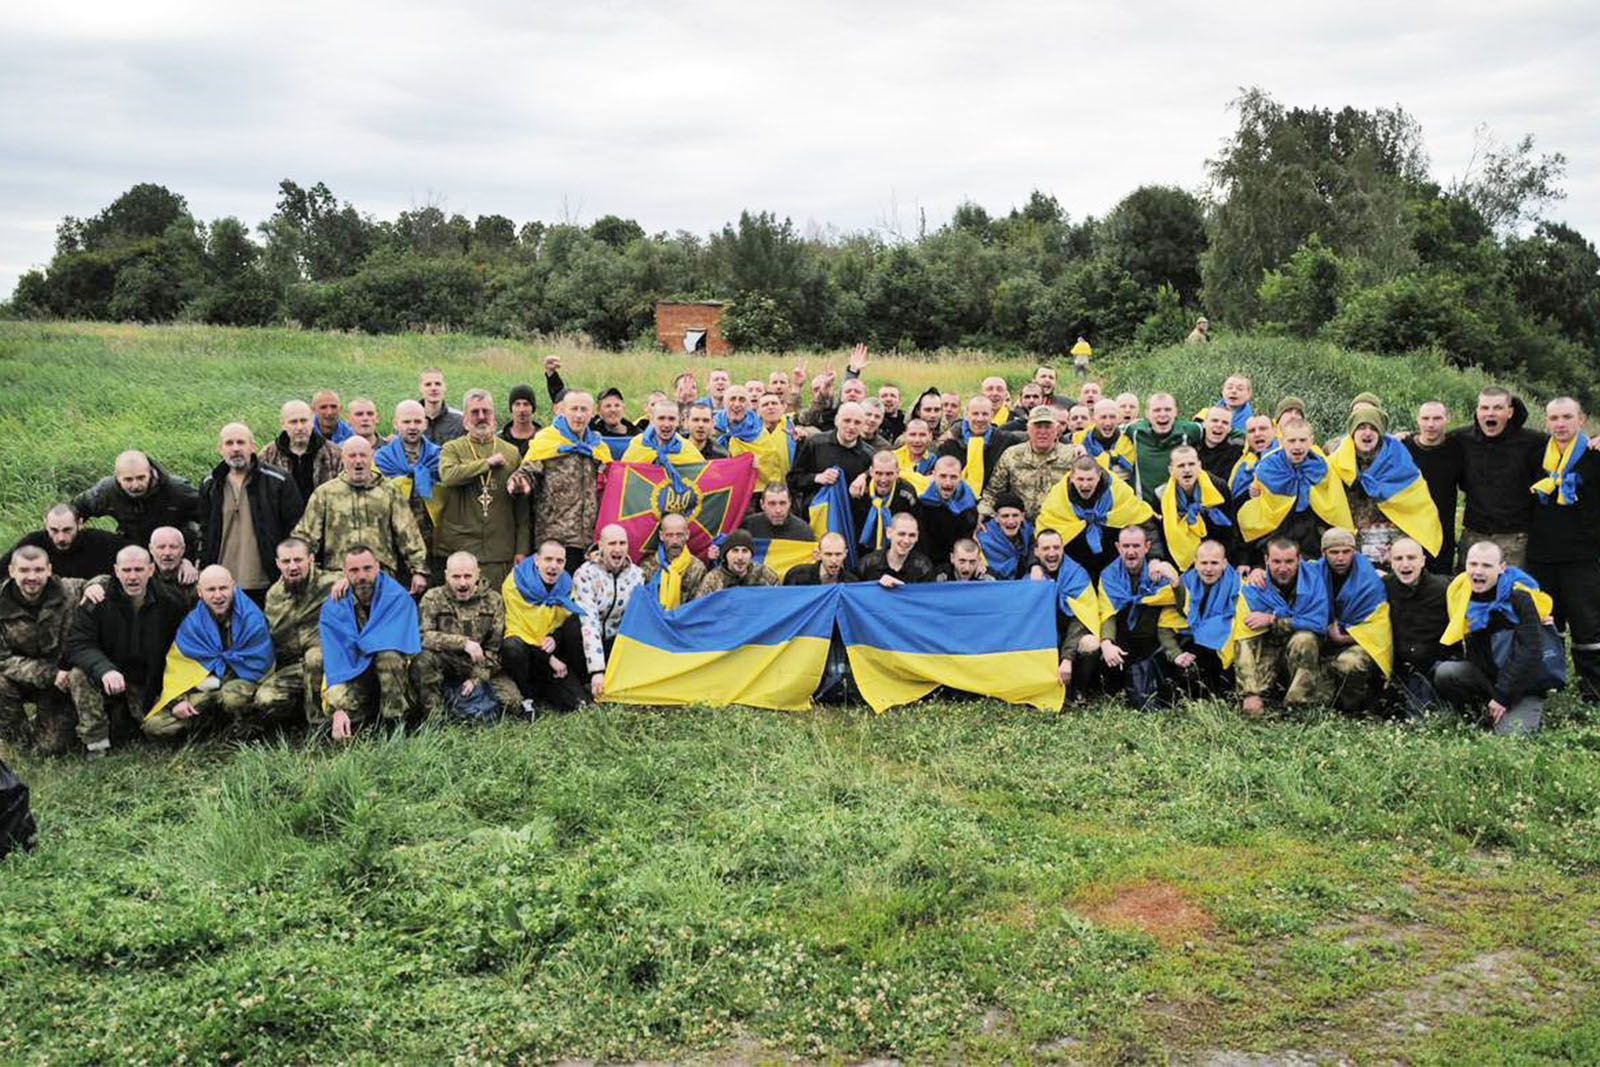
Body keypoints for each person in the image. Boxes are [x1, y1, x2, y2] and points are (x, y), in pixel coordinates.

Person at [65, 545, 188, 754]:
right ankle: (96, 743)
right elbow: (78, 643)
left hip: (147, 681)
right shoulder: (97, 601)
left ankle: (129, 723)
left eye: (139, 570)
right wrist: (104, 669)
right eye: (127, 570)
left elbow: (179, 653)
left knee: (163, 732)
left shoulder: (171, 602)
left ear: (151, 570)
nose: (132, 577)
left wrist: (175, 696)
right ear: (116, 570)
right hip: (108, 676)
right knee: (78, 675)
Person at [1435, 541, 1557, 735]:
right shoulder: (1461, 592)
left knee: (1510, 739)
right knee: (1446, 672)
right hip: (1488, 678)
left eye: (1486, 565)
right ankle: (1480, 716)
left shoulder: (1520, 596)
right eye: (1473, 564)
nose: (1478, 571)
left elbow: (1531, 652)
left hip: (1523, 684)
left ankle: (1514, 712)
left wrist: (1502, 696)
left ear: (1502, 568)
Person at [141, 565, 275, 740]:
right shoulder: (192, 624)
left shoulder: (251, 618)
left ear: (233, 587)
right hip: (204, 691)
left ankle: (243, 728)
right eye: (211, 590)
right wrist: (179, 701)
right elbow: (179, 668)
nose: (218, 595)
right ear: (200, 592)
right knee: (155, 725)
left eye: (223, 588)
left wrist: (216, 682)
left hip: (241, 686)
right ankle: (214, 727)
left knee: (232, 696)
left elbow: (260, 664)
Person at [1525, 396, 1600, 700]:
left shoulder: (1594, 454)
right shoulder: (1536, 456)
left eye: (1567, 417)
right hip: (1542, 556)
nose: (1560, 424)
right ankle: (1550, 684)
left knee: (1588, 627)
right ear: (1546, 422)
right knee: (1547, 624)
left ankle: (1593, 691)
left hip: (1583, 557)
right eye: (1554, 418)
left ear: (1581, 420)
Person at [293, 435, 430, 593]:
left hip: (381, 576)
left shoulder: (389, 491)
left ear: (371, 457)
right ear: (343, 458)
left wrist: (419, 571)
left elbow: (408, 533)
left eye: (363, 455)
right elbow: (305, 537)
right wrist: (303, 569)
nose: (358, 461)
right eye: (352, 456)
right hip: (338, 578)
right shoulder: (325, 493)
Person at [320, 543, 421, 740]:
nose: (362, 576)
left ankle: (395, 725)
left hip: (394, 677)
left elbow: (403, 645)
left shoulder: (397, 597)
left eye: (367, 568)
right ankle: (343, 724)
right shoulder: (334, 605)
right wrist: (338, 709)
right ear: (344, 573)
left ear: (378, 567)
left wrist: (364, 645)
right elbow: (335, 657)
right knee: (339, 703)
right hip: (354, 672)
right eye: (354, 570)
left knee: (388, 656)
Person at [435, 389, 531, 590]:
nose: (481, 417)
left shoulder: (511, 452)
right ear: (465, 419)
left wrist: (522, 549)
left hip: (500, 550)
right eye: (475, 412)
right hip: (461, 550)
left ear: (494, 417)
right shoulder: (452, 448)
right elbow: (449, 476)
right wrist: (486, 464)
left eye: (486, 411)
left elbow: (522, 508)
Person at [198, 422, 303, 603]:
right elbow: (204, 530)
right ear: (220, 449)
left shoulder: (278, 481)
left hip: (266, 583)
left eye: (241, 442)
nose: (235, 448)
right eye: (229, 443)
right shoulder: (210, 484)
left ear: (252, 446)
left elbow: (296, 528)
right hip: (222, 587)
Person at [1329, 401, 1442, 568]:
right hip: (1350, 551)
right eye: (1361, 427)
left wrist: (1399, 549)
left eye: (1373, 428)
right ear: (1352, 432)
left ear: (1381, 432)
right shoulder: (1336, 462)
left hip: (1393, 551)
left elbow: (1416, 506)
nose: (1367, 433)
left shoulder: (1399, 460)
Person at [414, 551, 521, 721]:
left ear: (477, 574)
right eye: (456, 577)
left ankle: (457, 703)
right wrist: (462, 643)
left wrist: (476, 679)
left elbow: (495, 649)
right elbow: (422, 637)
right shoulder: (433, 598)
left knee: (512, 703)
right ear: (446, 575)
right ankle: (435, 718)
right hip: (445, 663)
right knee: (424, 659)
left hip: (480, 665)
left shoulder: (494, 601)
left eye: (467, 576)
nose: (462, 583)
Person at [0, 547, 86, 757]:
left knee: (52, 748)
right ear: (12, 571)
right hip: (23, 678)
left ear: (49, 570)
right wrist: (49, 674)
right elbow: (2, 660)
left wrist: (96, 585)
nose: (32, 577)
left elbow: (108, 582)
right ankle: (19, 741)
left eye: (38, 570)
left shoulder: (70, 590)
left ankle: (44, 732)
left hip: (60, 686)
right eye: (24, 570)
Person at [516, 390, 613, 574]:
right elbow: (528, 471)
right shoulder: (547, 441)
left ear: (592, 413)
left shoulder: (598, 447)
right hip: (555, 540)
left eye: (584, 409)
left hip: (589, 541)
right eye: (574, 409)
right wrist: (520, 482)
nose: (578, 415)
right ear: (562, 411)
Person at [1232, 537, 1329, 718]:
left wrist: (1273, 618)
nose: (1283, 568)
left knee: (1305, 638)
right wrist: (1250, 692)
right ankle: (1260, 697)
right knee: (1254, 704)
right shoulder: (1253, 587)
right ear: (1266, 560)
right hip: (1270, 648)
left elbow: (1319, 623)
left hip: (1304, 652)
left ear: (1299, 559)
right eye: (1276, 561)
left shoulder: (1314, 578)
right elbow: (1243, 640)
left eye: (1289, 561)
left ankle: (1296, 705)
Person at [1094, 526, 1184, 709]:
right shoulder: (1108, 575)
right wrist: (1107, 643)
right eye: (1126, 546)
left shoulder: (1160, 572)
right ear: (1118, 547)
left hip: (1153, 639)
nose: (1131, 551)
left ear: (1147, 547)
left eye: (1136, 546)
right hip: (1124, 639)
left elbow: (1183, 608)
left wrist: (1176, 583)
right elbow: (1107, 613)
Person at [1237, 418, 1352, 560]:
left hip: (1312, 540)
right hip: (1274, 537)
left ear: (1311, 441)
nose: (1297, 446)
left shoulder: (1322, 467)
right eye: (1291, 441)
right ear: (1282, 440)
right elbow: (1259, 509)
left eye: (1303, 440)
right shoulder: (1267, 467)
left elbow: (1335, 505)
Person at [1309, 527, 1391, 715]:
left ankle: (1353, 708)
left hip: (1359, 641)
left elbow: (1379, 628)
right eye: (1334, 552)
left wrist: (1343, 638)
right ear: (1324, 553)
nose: (1340, 558)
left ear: (1354, 551)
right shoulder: (1311, 573)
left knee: (1349, 663)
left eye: (1346, 552)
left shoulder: (1370, 580)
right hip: (1322, 636)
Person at [254, 537, 334, 727]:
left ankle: (319, 725)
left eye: (298, 560)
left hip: (328, 665)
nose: (292, 567)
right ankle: (297, 718)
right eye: (286, 561)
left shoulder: (332, 583)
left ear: (311, 559)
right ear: (277, 564)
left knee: (315, 657)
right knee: (265, 699)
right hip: (293, 668)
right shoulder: (274, 595)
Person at [500, 541, 588, 714]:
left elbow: (564, 623)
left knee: (578, 702)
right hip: (527, 653)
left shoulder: (567, 584)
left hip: (554, 653)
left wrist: (555, 639)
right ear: (536, 560)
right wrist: (547, 658)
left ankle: (578, 683)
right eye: (548, 559)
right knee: (512, 647)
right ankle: (527, 696)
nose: (553, 566)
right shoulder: (514, 584)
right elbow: (518, 629)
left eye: (559, 561)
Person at [1037, 457, 1157, 575]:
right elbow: (1041, 534)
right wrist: (1035, 565)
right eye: (1080, 479)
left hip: (1116, 565)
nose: (1085, 485)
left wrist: (1155, 558)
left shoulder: (1118, 491)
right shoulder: (1058, 498)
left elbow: (1145, 523)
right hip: (1075, 565)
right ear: (1072, 478)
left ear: (1099, 477)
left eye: (1090, 479)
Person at [71, 449, 201, 557]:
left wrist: (194, 559)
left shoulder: (177, 489)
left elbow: (208, 517)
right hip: (132, 550)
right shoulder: (107, 491)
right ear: (117, 477)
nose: (135, 485)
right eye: (128, 480)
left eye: (141, 478)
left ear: (150, 472)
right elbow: (76, 508)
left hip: (174, 553)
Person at [572, 524, 645, 701]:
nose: (618, 549)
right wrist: (597, 670)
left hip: (615, 642)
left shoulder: (637, 575)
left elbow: (637, 620)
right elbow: (589, 622)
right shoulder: (584, 574)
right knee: (572, 626)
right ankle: (585, 679)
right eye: (612, 543)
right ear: (601, 546)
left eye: (622, 543)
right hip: (585, 642)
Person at [1383, 537, 1450, 718]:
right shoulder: (1383, 587)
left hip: (1433, 667)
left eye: (1412, 558)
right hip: (1397, 668)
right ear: (1390, 562)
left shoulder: (1444, 589)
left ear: (1423, 561)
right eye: (1398, 559)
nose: (1405, 564)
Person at [981, 406, 1077, 522]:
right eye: (1037, 426)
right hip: (1018, 526)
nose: (1042, 432)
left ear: (1057, 429)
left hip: (1059, 524)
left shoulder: (1072, 455)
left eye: (1047, 427)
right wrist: (981, 515)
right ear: (1028, 429)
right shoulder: (1012, 455)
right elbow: (992, 493)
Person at [374, 399, 442, 559]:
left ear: (425, 424)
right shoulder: (382, 459)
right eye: (406, 421)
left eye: (417, 421)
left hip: (431, 541)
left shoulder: (438, 457)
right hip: (393, 541)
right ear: (395, 424)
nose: (412, 426)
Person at [1171, 539, 1239, 697]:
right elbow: (1166, 622)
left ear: (1224, 563)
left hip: (1225, 648)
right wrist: (1176, 654)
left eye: (1214, 563)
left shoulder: (1238, 586)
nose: (1208, 569)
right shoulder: (1183, 583)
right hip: (1190, 643)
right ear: (1195, 563)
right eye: (1204, 563)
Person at [1401, 401, 1463, 573]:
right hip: (1408, 532)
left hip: (1442, 533)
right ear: (1418, 419)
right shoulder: (1403, 447)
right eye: (1425, 418)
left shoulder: (1457, 449)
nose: (1430, 424)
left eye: (1437, 418)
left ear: (1447, 419)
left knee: (1438, 589)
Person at [1156, 445, 1234, 570]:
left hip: (1215, 557)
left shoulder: (1218, 487)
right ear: (1171, 470)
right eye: (1181, 466)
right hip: (1180, 558)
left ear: (1199, 466)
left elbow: (1229, 529)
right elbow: (1163, 536)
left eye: (1191, 464)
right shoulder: (1162, 495)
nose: (1187, 470)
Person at [0, 503, 124, 580]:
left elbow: (136, 556)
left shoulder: (101, 542)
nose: (61, 538)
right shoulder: (32, 542)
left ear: (80, 524)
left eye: (67, 530)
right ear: (45, 525)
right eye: (54, 530)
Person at [788, 401, 875, 509]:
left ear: (863, 425)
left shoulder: (869, 455)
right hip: (815, 515)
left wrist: (865, 477)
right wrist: (817, 478)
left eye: (857, 422)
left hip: (850, 520)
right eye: (847, 421)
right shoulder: (815, 443)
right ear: (836, 421)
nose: (851, 426)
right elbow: (792, 480)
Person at [1126, 393, 1204, 504]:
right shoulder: (1135, 431)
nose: (1162, 414)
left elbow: (1220, 429)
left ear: (1175, 412)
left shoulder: (1190, 431)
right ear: (1147, 414)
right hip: (1145, 512)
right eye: (1157, 410)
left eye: (1168, 409)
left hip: (1179, 509)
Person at [261, 399, 344, 502]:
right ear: (283, 424)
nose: (300, 427)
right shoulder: (268, 455)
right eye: (293, 422)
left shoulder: (334, 454)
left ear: (312, 422)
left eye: (304, 421)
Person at [938, 397, 1017, 496]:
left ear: (991, 415)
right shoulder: (950, 444)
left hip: (994, 500)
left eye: (985, 414)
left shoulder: (1005, 440)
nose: (980, 419)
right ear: (966, 415)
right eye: (975, 414)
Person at [850, 452, 920, 554]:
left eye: (889, 474)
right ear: (871, 472)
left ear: (897, 472)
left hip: (896, 551)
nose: (883, 479)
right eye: (879, 473)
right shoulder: (860, 489)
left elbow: (916, 525)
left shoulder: (906, 493)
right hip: (862, 551)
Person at [917, 456, 980, 563]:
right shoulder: (922, 504)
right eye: (943, 476)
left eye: (953, 477)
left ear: (960, 478)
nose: (948, 483)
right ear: (933, 475)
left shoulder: (969, 504)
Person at [638, 514, 707, 607]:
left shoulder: (697, 569)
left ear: (687, 535)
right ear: (661, 536)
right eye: (669, 535)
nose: (675, 541)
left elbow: (698, 607)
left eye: (680, 535)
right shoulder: (647, 567)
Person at [858, 512, 933, 586]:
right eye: (901, 534)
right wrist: (876, 585)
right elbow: (856, 591)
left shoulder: (923, 567)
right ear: (889, 533)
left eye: (912, 535)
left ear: (917, 537)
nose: (906, 541)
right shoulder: (868, 564)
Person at [696, 530, 779, 595]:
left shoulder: (765, 574)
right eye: (735, 551)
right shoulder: (712, 580)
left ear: (751, 555)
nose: (740, 557)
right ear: (726, 555)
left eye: (745, 551)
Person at [623, 400, 704, 465]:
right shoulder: (638, 445)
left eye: (671, 419)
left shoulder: (688, 449)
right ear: (652, 420)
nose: (666, 424)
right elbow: (624, 476)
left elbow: (702, 476)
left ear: (678, 421)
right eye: (661, 418)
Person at [1073, 400, 1136, 481]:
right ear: (1093, 419)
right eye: (1103, 417)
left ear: (1118, 419)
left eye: (1112, 417)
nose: (1108, 423)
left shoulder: (1127, 441)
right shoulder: (1080, 439)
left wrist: (1093, 460)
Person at [975, 493, 1033, 580]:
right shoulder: (983, 540)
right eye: (1005, 516)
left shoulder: (1029, 533)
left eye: (1015, 515)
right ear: (996, 518)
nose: (1010, 521)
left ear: (1022, 516)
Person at [741, 483, 813, 540]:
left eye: (782, 503)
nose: (778, 510)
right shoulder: (748, 527)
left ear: (790, 503)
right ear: (762, 504)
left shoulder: (803, 531)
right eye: (772, 504)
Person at [1196, 406, 1246, 486]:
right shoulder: (1191, 444)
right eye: (1214, 421)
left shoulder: (1236, 450)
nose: (1219, 425)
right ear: (1204, 424)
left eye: (1225, 423)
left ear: (1230, 429)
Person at [783, 533, 857, 585]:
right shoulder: (797, 576)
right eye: (828, 554)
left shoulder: (851, 582)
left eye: (838, 554)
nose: (834, 560)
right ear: (818, 554)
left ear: (845, 554)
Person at [419, 367, 466, 443]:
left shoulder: (460, 421)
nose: (433, 388)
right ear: (420, 388)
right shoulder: (410, 420)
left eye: (438, 384)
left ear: (445, 387)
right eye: (428, 384)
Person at [498, 383, 542, 457]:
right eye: (517, 404)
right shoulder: (500, 440)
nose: (521, 409)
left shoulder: (543, 437)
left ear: (532, 408)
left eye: (526, 404)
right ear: (511, 408)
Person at [892, 418, 938, 488]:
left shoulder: (934, 461)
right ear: (905, 436)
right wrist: (924, 480)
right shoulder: (893, 458)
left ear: (930, 436)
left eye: (922, 435)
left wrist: (902, 475)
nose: (917, 440)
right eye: (912, 435)